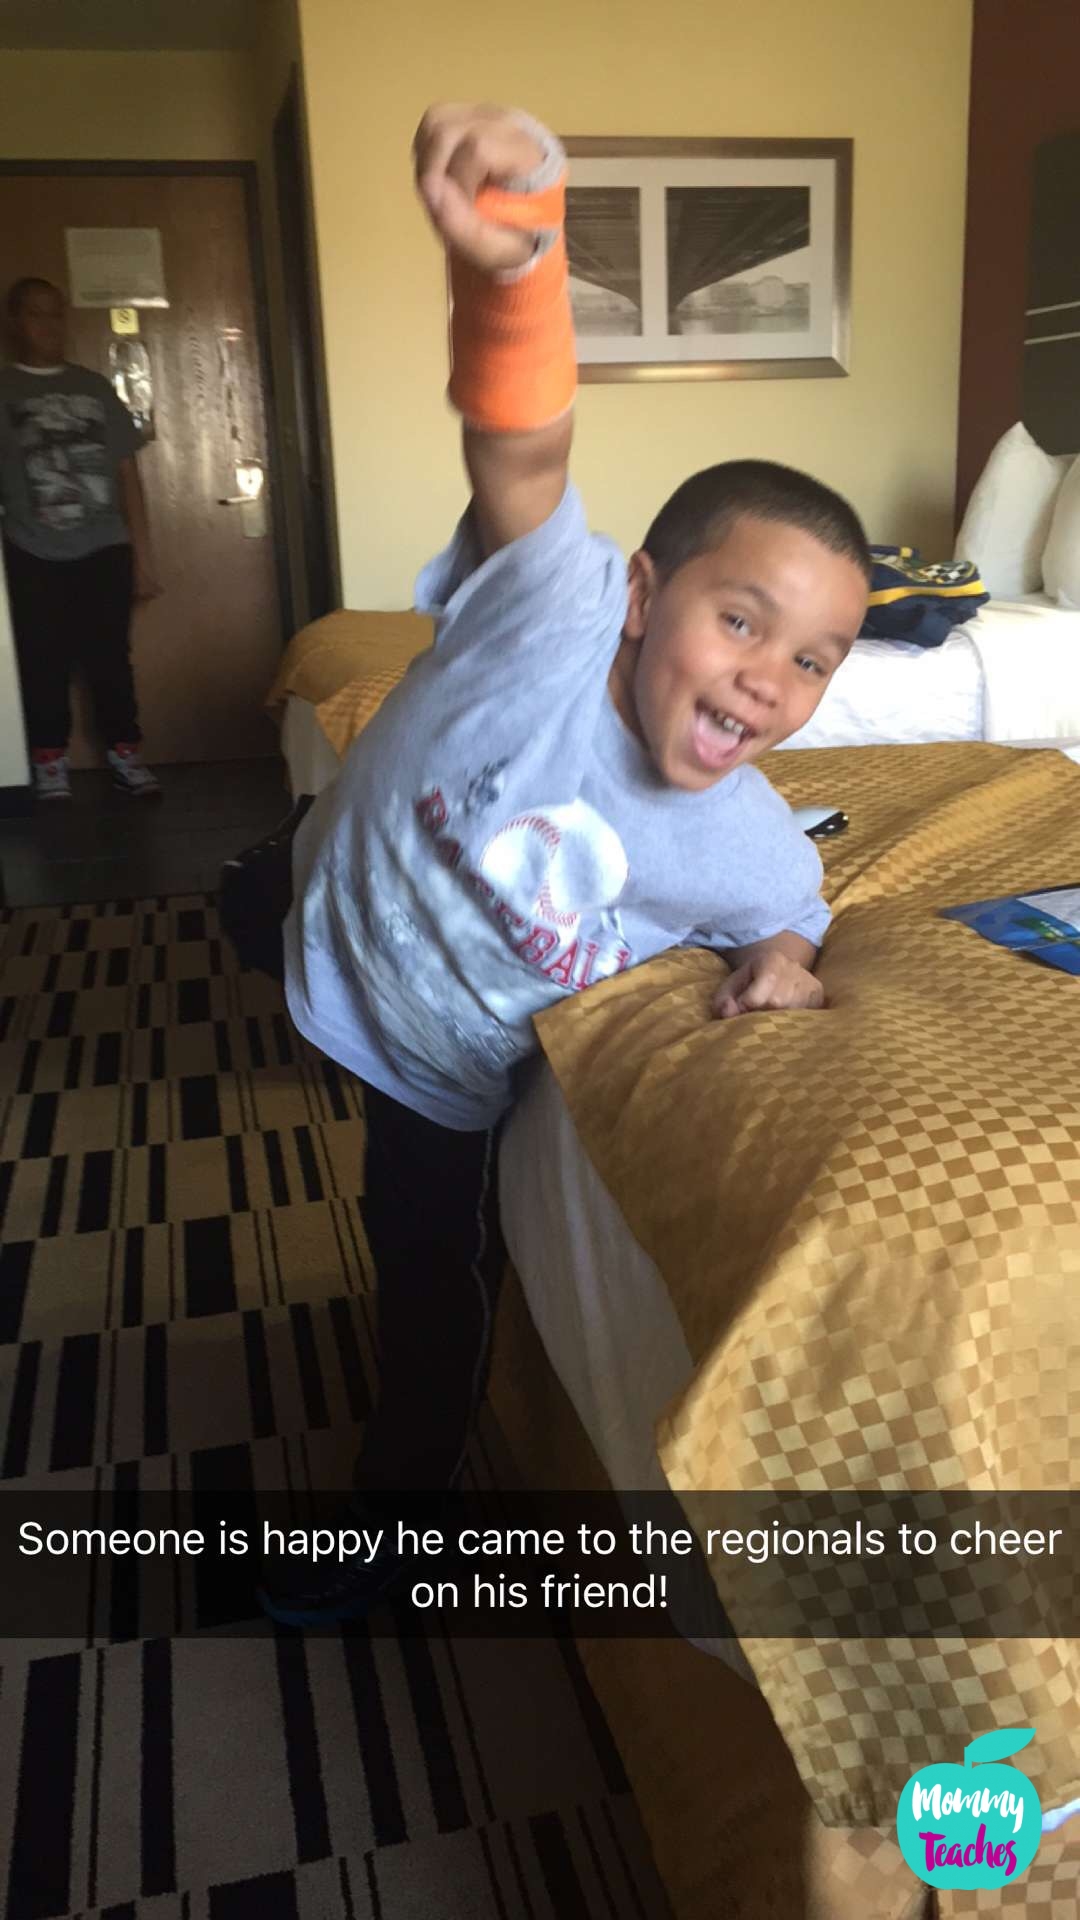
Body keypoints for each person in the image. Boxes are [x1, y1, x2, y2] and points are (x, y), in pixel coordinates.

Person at [258, 104, 870, 1625]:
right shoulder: (553, 608)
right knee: (253, 894)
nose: (769, 679)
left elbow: (796, 909)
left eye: (815, 662)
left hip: (438, 1071)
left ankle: (388, 1537)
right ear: (643, 595)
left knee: (429, 1285)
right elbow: (522, 446)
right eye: (740, 620)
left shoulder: (742, 834)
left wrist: (784, 961)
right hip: (332, 895)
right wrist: (514, 275)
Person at [0, 276, 162, 801]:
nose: (49, 325)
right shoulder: (4, 389)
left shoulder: (94, 388)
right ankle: (50, 762)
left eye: (56, 313)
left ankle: (125, 755)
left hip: (104, 547)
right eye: (35, 313)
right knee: (41, 661)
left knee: (110, 660)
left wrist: (143, 556)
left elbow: (127, 474)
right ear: (15, 322)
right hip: (31, 549)